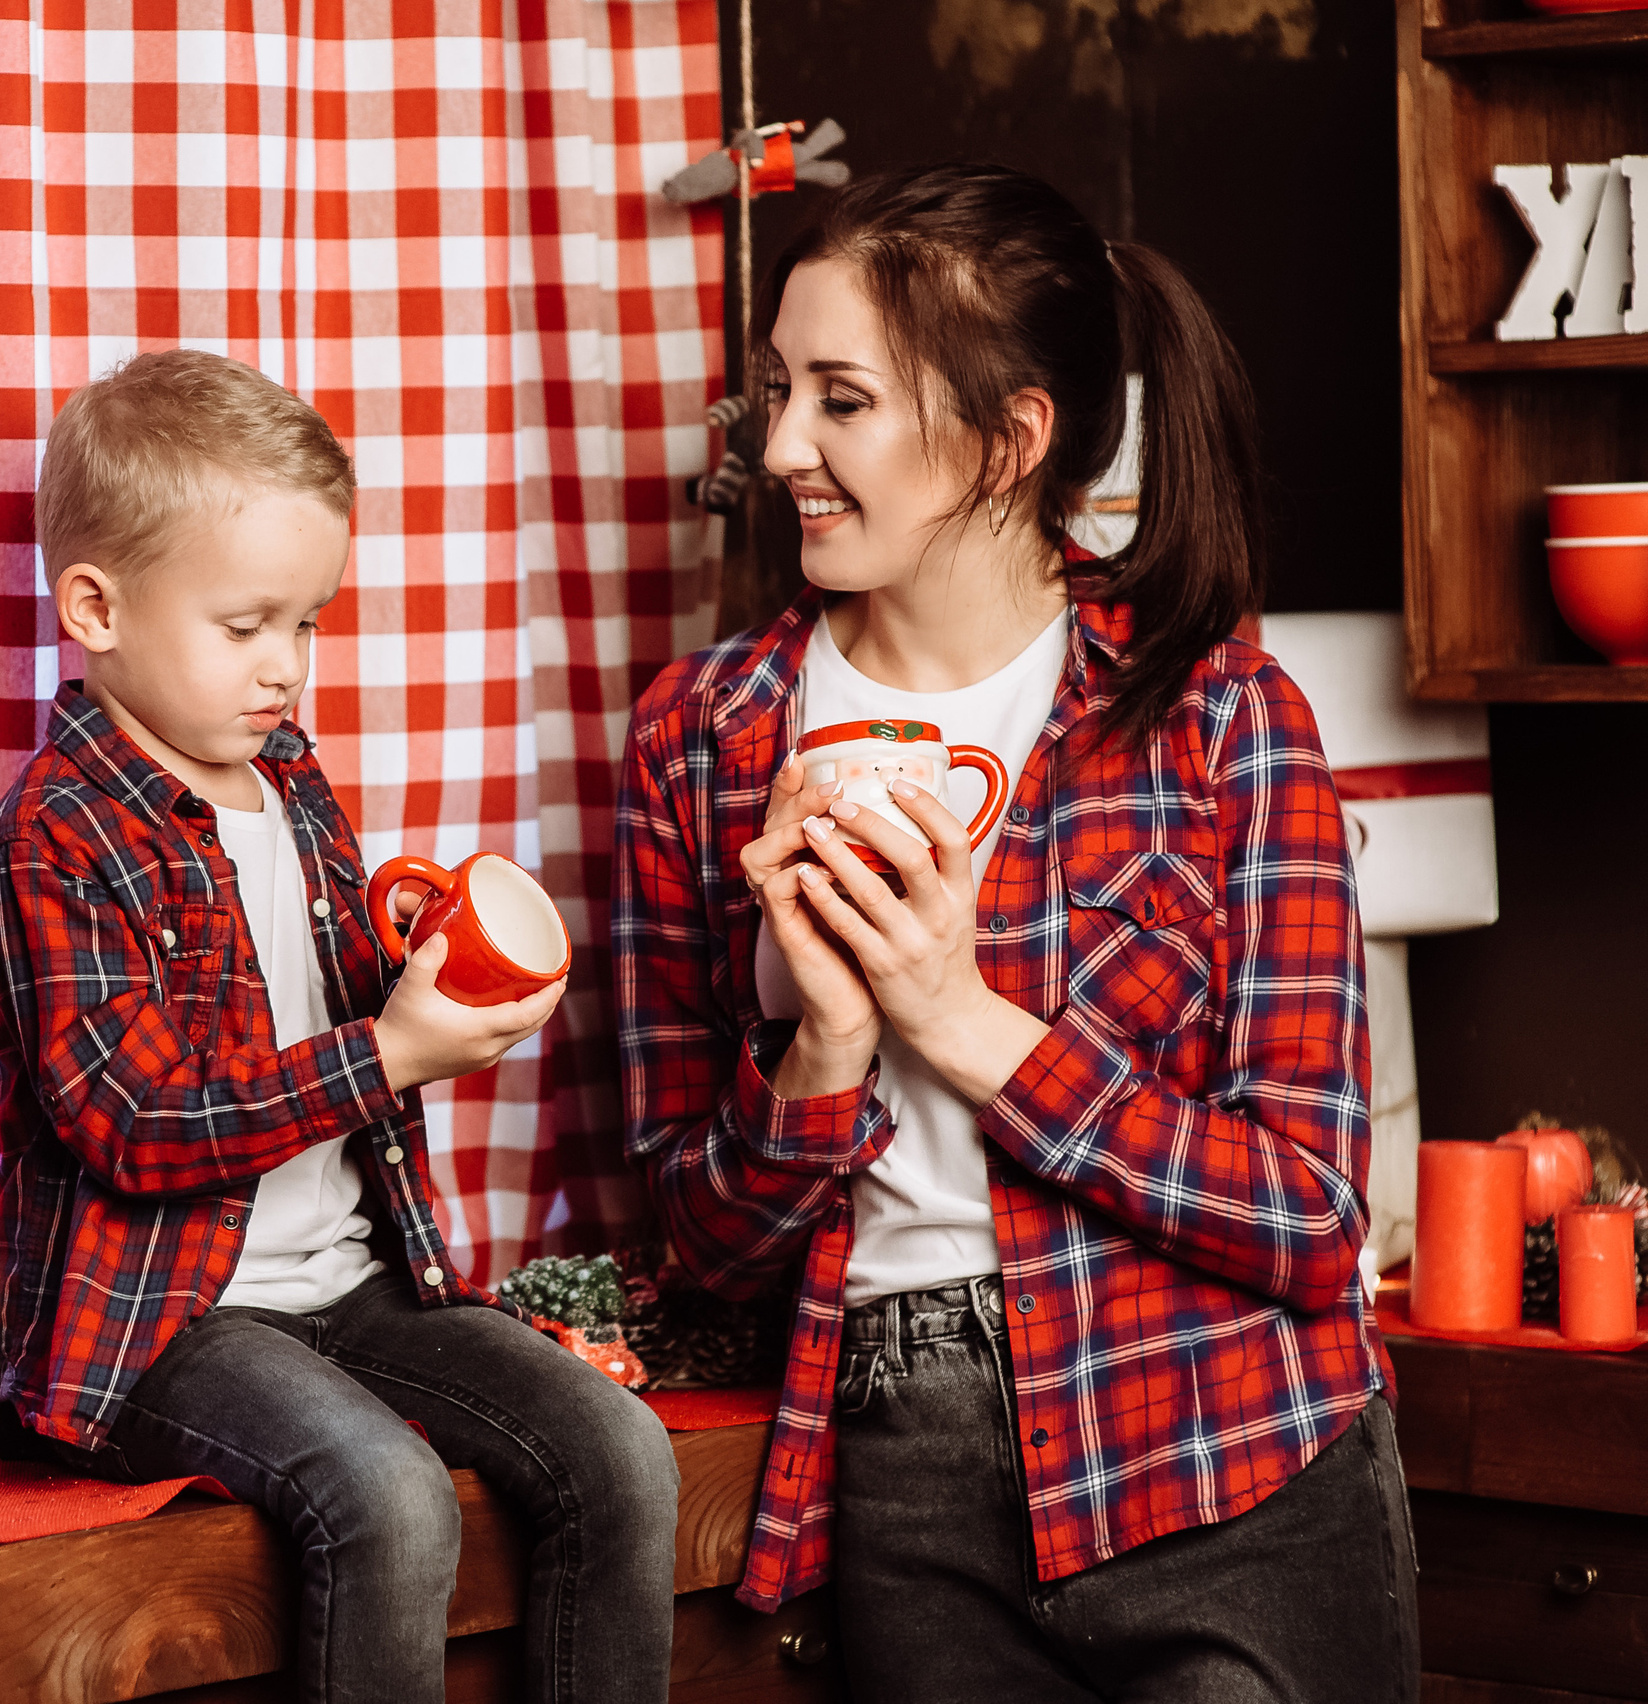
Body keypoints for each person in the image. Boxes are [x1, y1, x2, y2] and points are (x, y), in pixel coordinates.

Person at [614, 164, 1417, 1702]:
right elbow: (703, 1250)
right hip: (905, 1481)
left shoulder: (1217, 718)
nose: (782, 448)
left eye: (841, 401)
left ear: (1010, 439)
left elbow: (1315, 1218)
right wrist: (830, 1046)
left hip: (1224, 1441)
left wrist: (959, 1018)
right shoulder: (702, 738)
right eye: (780, 392)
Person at [0, 348, 680, 1704]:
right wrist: (391, 1053)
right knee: (389, 1496)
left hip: (353, 1283)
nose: (287, 666)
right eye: (248, 626)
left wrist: (416, 968)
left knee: (618, 1449)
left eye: (310, 622)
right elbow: (136, 1123)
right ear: (96, 608)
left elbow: (316, 991)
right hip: (168, 1324)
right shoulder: (51, 842)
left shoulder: (286, 776)